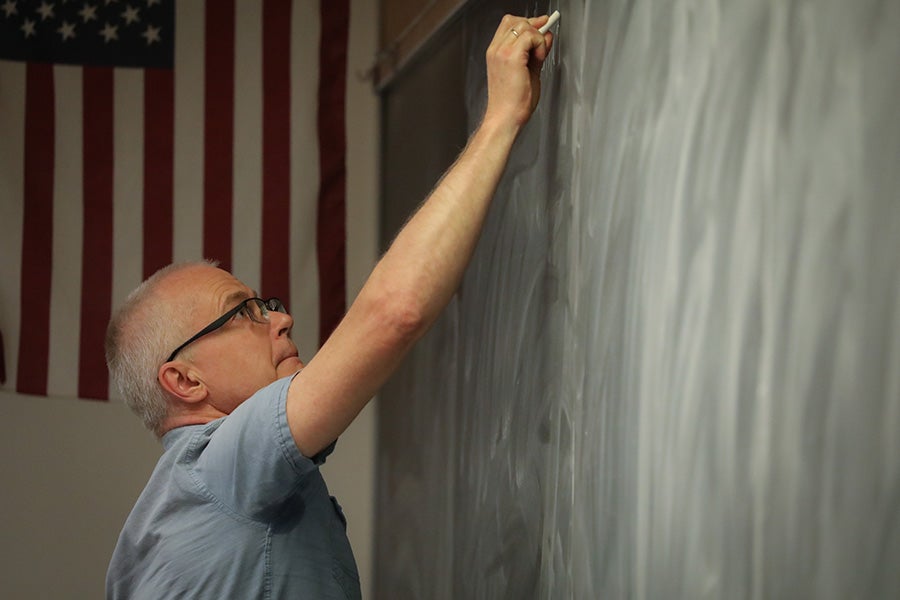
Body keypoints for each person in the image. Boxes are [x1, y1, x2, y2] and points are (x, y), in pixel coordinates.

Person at [105, 13, 554, 599]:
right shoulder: (218, 464)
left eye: (264, 304)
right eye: (242, 312)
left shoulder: (158, 527)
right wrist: (501, 118)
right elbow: (394, 313)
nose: (281, 318)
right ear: (183, 380)